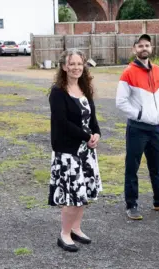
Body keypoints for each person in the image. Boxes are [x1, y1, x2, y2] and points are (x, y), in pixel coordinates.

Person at [116, 34, 159, 220]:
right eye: (140, 45)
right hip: (137, 128)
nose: (144, 48)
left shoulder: (158, 71)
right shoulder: (128, 73)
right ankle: (131, 204)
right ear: (134, 49)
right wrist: (140, 115)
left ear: (151, 48)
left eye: (147, 45)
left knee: (156, 167)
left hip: (155, 128)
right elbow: (121, 101)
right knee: (132, 167)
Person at [48, 48, 102, 252]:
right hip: (68, 152)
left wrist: (96, 133)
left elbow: (92, 118)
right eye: (72, 64)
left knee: (83, 193)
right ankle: (64, 234)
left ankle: (76, 229)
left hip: (86, 151)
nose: (76, 67)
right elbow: (62, 123)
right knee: (71, 195)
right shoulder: (58, 92)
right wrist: (87, 136)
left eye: (80, 64)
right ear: (64, 67)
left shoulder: (84, 88)